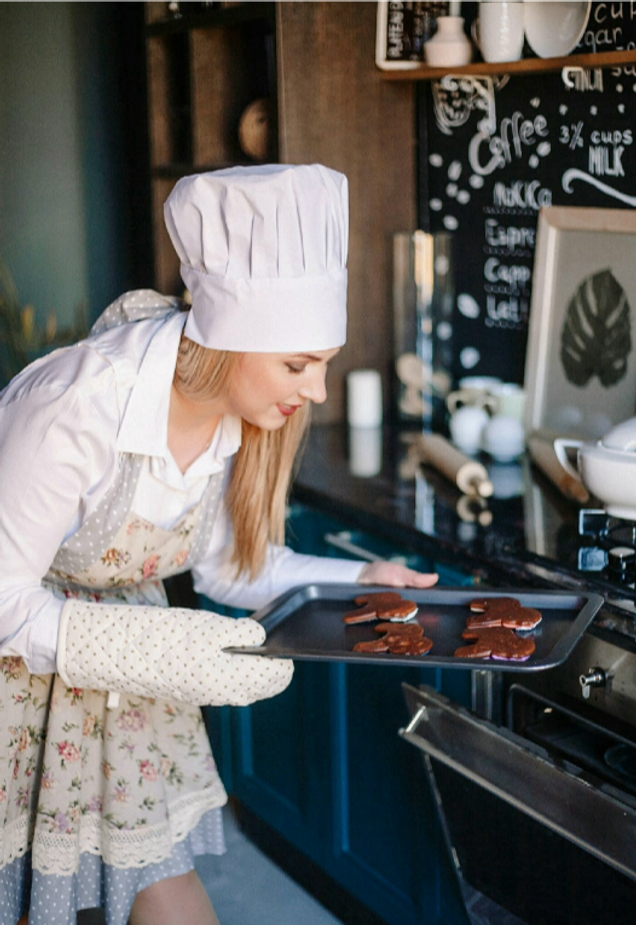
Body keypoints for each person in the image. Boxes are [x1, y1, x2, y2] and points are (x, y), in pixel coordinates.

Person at [0, 163, 438, 925]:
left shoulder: (239, 419)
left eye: (323, 365)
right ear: (232, 341)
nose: (318, 392)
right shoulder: (74, 408)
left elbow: (228, 569)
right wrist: (154, 649)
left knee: (168, 892)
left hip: (124, 696)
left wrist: (363, 574)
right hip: (20, 684)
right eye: (300, 365)